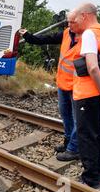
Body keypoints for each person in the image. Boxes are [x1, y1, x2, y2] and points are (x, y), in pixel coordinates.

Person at [70, 3, 100, 189]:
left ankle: (91, 179)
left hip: (89, 93)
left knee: (87, 136)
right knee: (98, 134)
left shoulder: (90, 33)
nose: (76, 22)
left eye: (77, 18)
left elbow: (92, 66)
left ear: (85, 15)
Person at [19, 18, 81, 161]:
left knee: (78, 118)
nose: (69, 25)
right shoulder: (66, 33)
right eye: (68, 22)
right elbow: (45, 39)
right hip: (63, 83)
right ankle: (68, 142)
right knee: (66, 115)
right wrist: (27, 35)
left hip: (78, 86)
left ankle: (74, 148)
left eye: (72, 22)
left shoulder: (88, 37)